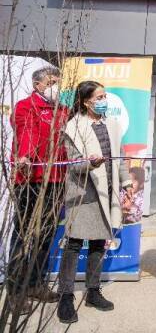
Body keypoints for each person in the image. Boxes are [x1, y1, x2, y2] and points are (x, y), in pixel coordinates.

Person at [57, 80, 133, 324]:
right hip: (83, 194)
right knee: (74, 245)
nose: (103, 101)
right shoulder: (73, 126)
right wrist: (92, 163)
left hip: (106, 192)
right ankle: (66, 296)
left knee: (100, 244)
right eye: (98, 97)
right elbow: (74, 165)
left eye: (104, 96)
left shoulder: (112, 124)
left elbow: (119, 158)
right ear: (85, 101)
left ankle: (92, 291)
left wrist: (126, 183)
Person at [8, 66, 68, 314]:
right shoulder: (26, 106)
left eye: (58, 83)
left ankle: (36, 283)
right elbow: (27, 133)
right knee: (23, 236)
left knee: (45, 236)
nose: (57, 87)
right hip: (30, 179)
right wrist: (26, 156)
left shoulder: (63, 111)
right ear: (38, 85)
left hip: (56, 181)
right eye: (52, 82)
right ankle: (16, 291)